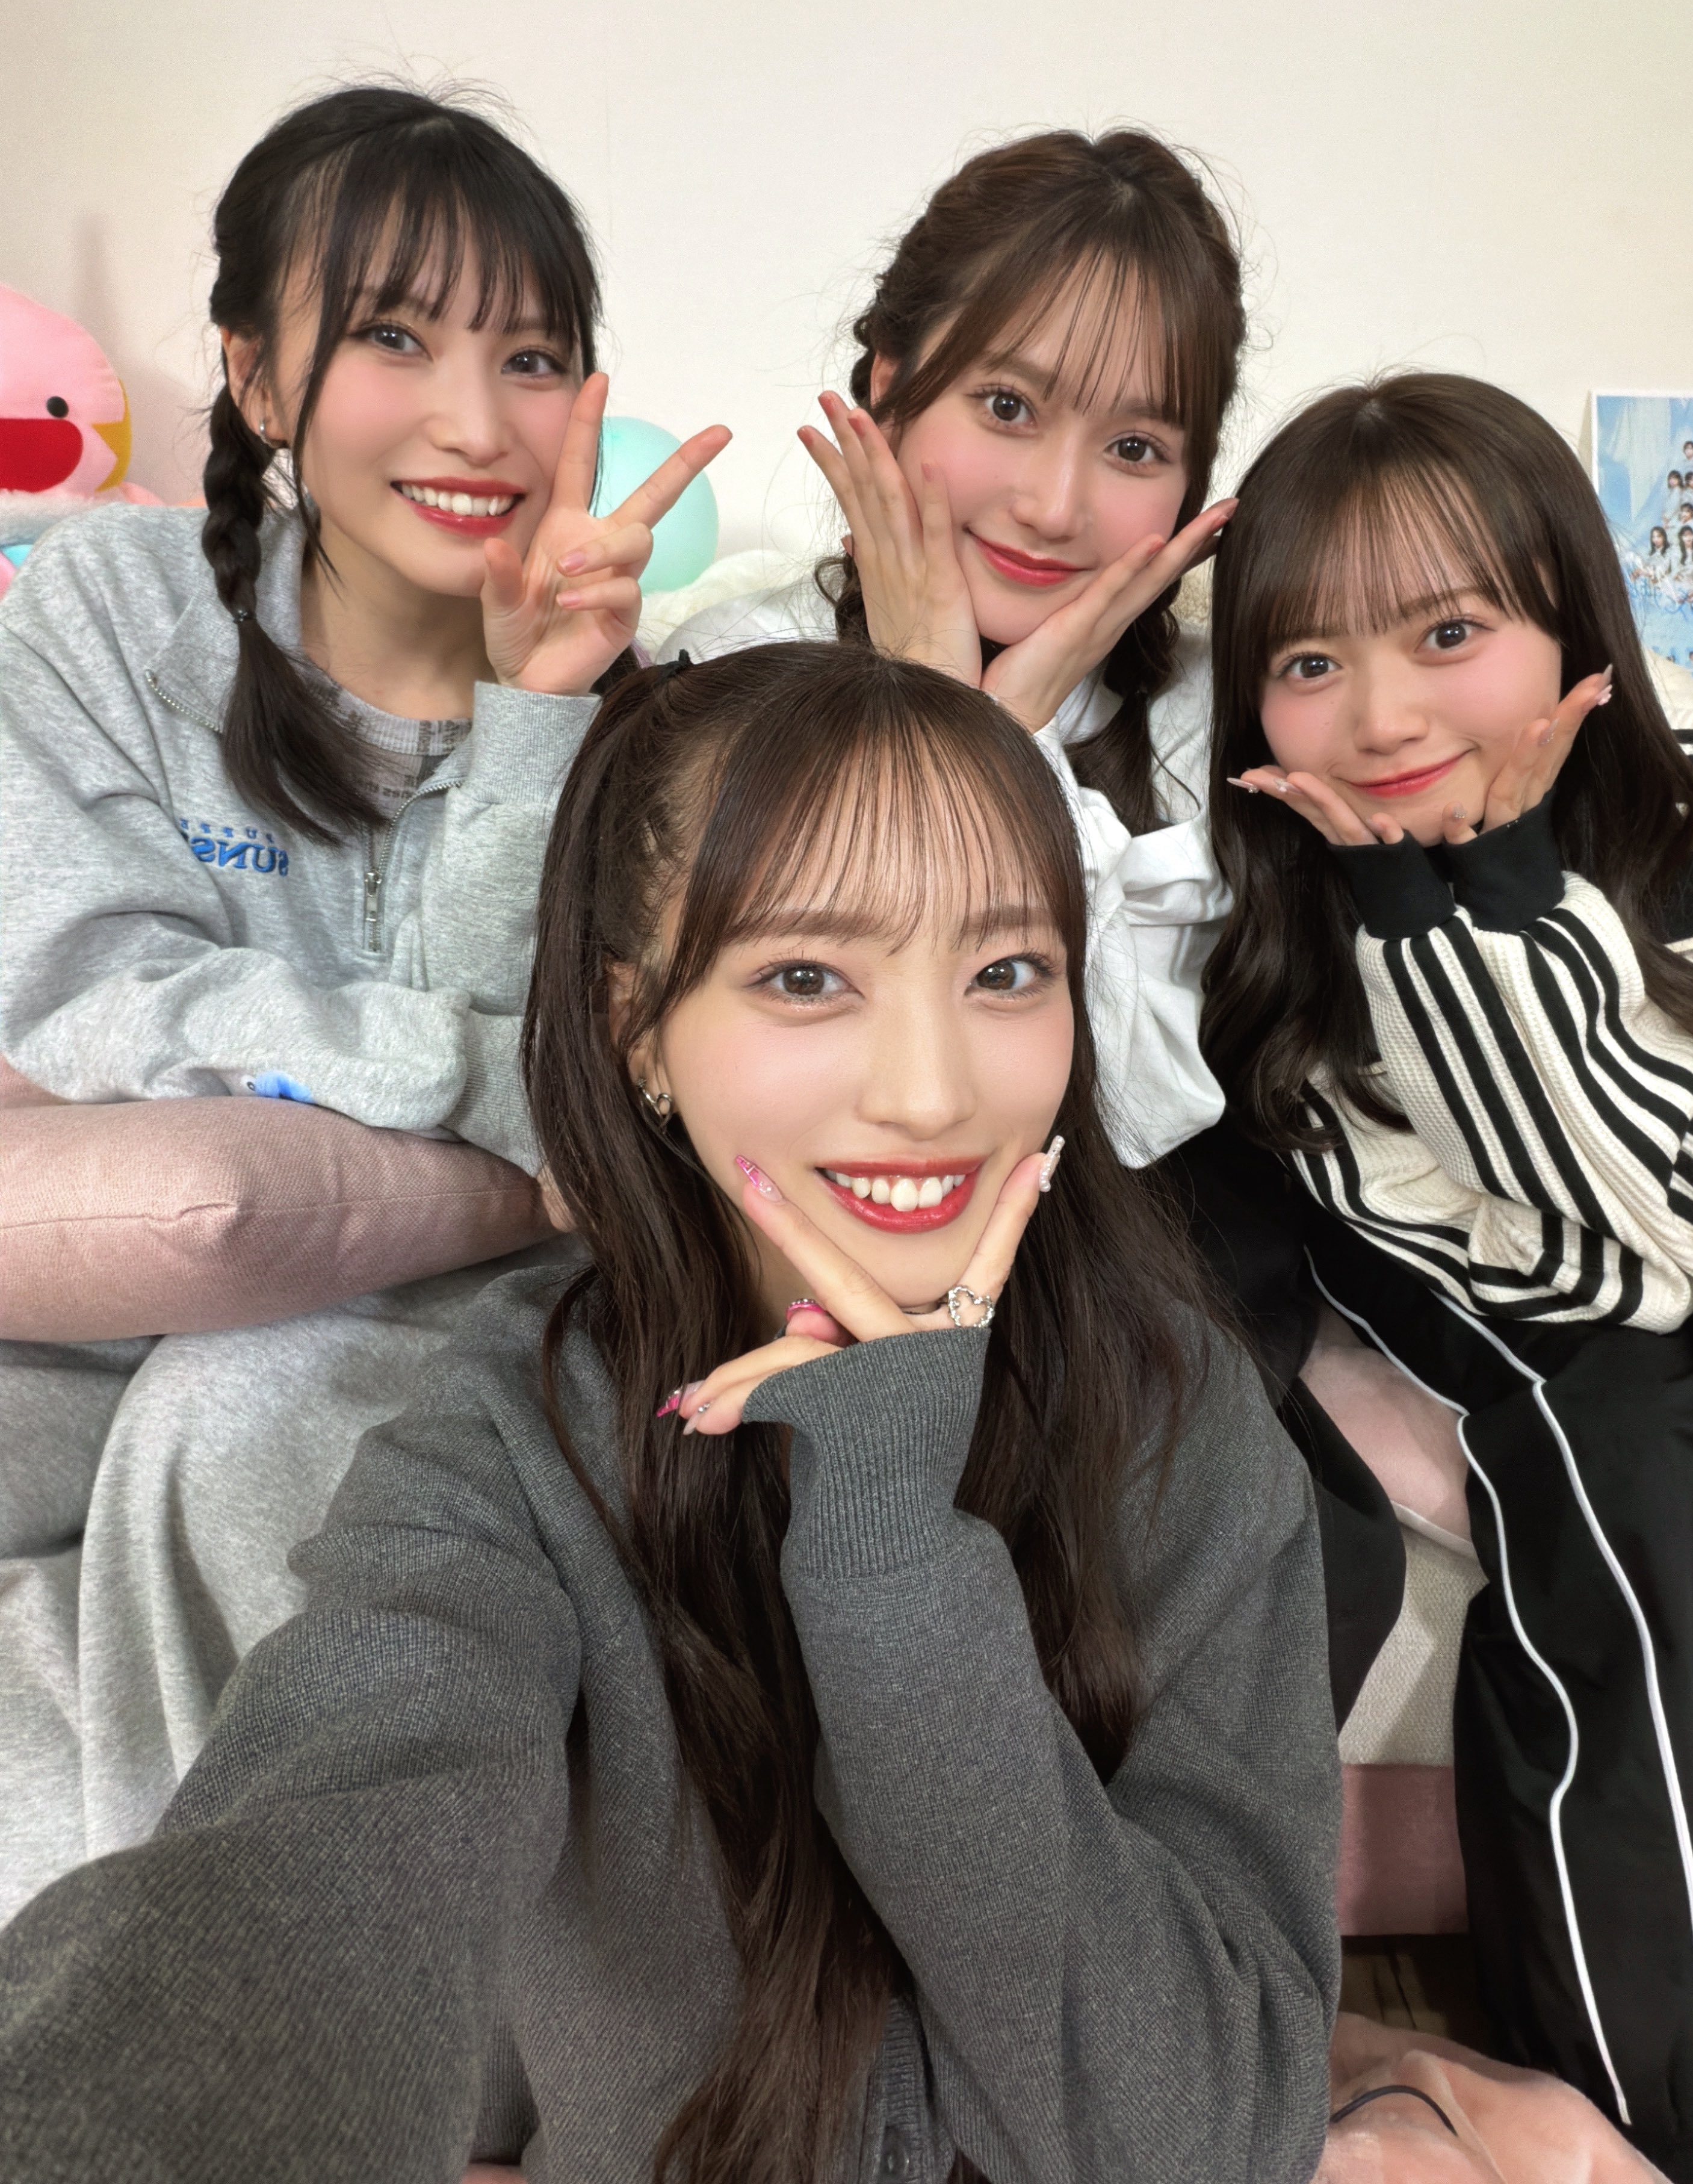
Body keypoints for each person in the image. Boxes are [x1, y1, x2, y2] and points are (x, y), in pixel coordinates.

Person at [0, 641, 1340, 2184]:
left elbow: (1212, 2135)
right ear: (638, 1027)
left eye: (1004, 974)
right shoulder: (520, 1436)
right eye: (805, 978)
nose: (931, 1094)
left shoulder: (1178, 1416)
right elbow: (342, 1833)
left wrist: (895, 1554)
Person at [0, 84, 727, 1915]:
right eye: (395, 337)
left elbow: (586, 1156)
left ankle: (207, 1988)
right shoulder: (105, 608)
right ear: (255, 376)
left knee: (239, 1414)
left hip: (452, 1320)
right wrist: (481, 1074)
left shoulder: (652, 716)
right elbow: (85, 992)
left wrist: (538, 715)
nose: (477, 423)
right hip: (106, 1319)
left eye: (532, 357)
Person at [1198, 373, 1693, 2184]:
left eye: (1450, 633)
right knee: (1623, 1450)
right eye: (1309, 660)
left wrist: (1518, 893)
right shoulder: (1281, 918)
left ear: (1573, 621)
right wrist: (1462, 902)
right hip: (1528, 1323)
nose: (1380, 715)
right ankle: (1644, 2118)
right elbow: (1593, 1290)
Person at [661, 128, 1243, 1171]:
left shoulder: (1207, 722)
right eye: (1008, 406)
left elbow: (1141, 1126)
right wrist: (950, 720)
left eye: (1134, 447)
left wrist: (1000, 740)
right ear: (891, 383)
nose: (1054, 507)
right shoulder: (724, 676)